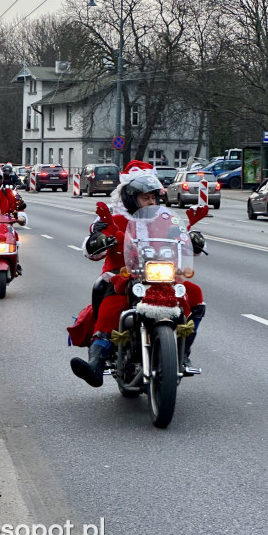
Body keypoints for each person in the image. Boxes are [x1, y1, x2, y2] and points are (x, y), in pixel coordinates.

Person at [70, 160, 207, 388]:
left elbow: (180, 239)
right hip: (122, 276)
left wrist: (192, 240)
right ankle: (96, 363)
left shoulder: (165, 219)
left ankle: (183, 352)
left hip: (161, 275)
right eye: (145, 197)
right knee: (109, 306)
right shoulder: (112, 218)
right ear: (131, 197)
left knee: (194, 294)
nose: (151, 201)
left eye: (153, 196)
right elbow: (91, 249)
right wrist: (98, 240)